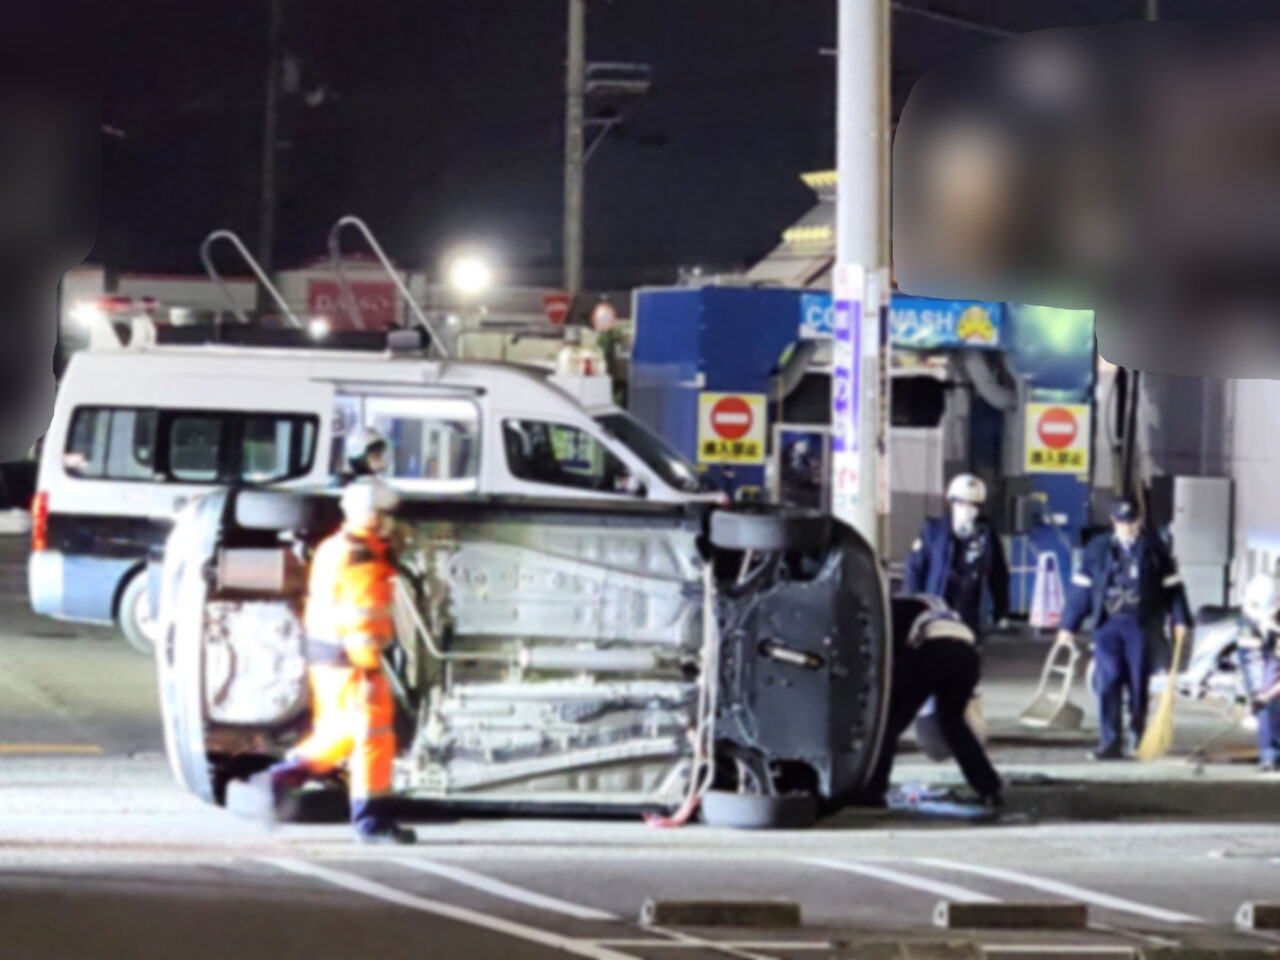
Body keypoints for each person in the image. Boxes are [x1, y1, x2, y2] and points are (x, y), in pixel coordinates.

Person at [241, 477, 415, 844]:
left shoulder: (341, 546)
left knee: (343, 733)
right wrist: (368, 664)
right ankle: (369, 822)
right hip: (351, 660)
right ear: (371, 515)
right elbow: (362, 614)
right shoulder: (360, 556)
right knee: (369, 734)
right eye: (386, 515)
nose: (391, 522)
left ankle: (276, 783)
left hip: (330, 655)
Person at [1057, 497, 1190, 761]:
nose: (1127, 528)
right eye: (1121, 522)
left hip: (1140, 625)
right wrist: (1068, 625)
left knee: (1138, 683)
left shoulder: (1155, 550)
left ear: (1139, 522)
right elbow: (1082, 589)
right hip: (1108, 624)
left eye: (1131, 522)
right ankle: (1110, 741)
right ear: (1113, 522)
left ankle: (1137, 736)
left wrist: (1180, 619)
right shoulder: (1098, 548)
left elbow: (1173, 588)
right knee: (1109, 680)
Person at [861, 594, 1004, 809]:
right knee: (954, 724)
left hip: (932, 653)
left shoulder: (889, 609)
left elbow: (889, 650)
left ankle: (874, 791)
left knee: (888, 725)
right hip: (967, 656)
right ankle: (989, 788)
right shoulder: (935, 605)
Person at [903, 473, 1010, 639]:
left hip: (970, 616)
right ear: (951, 503)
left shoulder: (986, 535)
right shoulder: (933, 531)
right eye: (960, 502)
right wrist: (912, 608)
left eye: (973, 505)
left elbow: (998, 574)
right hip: (936, 612)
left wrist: (1000, 610)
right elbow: (915, 569)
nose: (967, 509)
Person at [1238, 574, 1280, 772]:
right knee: (1265, 701)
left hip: (1274, 656)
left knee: (1270, 697)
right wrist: (1256, 695)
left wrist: (1266, 695)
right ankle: (1269, 755)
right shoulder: (1248, 620)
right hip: (1260, 653)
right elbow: (1250, 660)